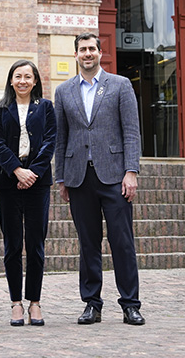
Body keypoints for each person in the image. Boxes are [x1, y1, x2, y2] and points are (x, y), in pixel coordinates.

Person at [54, 32, 145, 326]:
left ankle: (130, 304)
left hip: (114, 176)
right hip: (79, 177)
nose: (88, 53)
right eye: (82, 49)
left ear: (100, 53)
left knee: (122, 242)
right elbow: (61, 137)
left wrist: (131, 171)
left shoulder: (120, 85)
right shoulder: (64, 91)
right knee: (88, 243)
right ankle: (92, 303)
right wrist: (61, 178)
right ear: (76, 55)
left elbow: (131, 131)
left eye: (92, 48)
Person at [0, 60, 56, 327]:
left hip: (37, 184)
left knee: (36, 245)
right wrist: (18, 170)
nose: (23, 81)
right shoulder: (0, 108)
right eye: (18, 76)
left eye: (28, 77)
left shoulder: (46, 108)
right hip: (8, 182)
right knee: (13, 244)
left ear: (36, 81)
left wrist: (33, 173)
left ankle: (35, 302)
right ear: (11, 80)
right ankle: (16, 302)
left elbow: (51, 140)